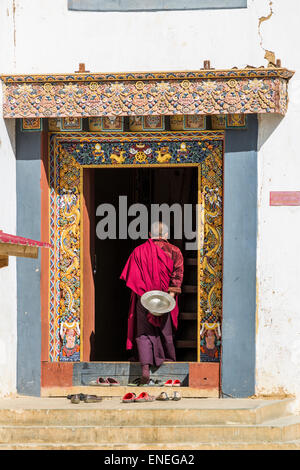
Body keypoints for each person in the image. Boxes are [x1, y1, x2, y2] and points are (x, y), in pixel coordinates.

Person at [120, 221, 184, 384]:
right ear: (167, 235)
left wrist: (145, 296)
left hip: (144, 298)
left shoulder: (138, 251)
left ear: (149, 235)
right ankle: (169, 366)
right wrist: (168, 299)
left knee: (143, 333)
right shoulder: (174, 251)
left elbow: (132, 278)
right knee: (166, 332)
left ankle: (145, 370)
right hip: (165, 298)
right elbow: (177, 277)